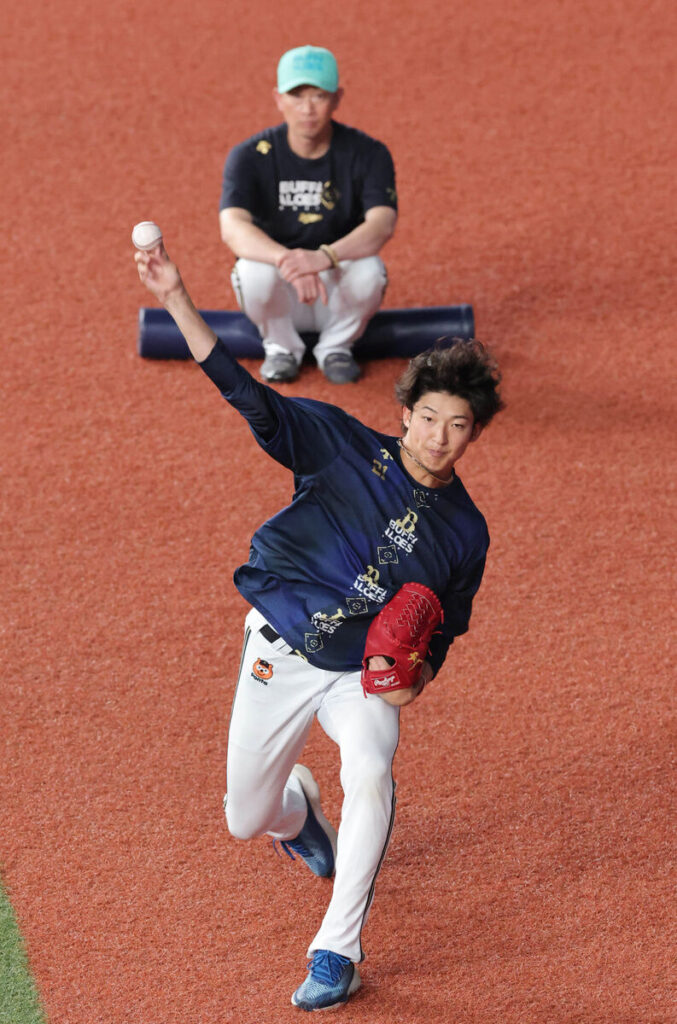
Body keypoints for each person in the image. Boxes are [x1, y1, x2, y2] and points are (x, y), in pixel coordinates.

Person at [134, 238, 504, 1011]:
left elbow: (441, 633)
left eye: (458, 425)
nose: (439, 436)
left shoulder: (464, 533)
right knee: (245, 818)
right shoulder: (338, 445)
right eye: (428, 418)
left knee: (371, 771)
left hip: (357, 676)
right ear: (404, 414)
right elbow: (248, 396)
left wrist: (413, 680)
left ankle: (336, 951)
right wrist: (175, 298)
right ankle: (297, 815)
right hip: (280, 648)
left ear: (475, 435)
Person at [219, 44, 398, 385]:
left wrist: (325, 257)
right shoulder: (248, 156)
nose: (307, 108)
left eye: (319, 95)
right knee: (251, 271)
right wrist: (289, 260)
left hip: (337, 285)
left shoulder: (369, 153)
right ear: (278, 98)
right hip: (282, 287)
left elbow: (382, 224)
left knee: (370, 271)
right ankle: (280, 347)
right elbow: (233, 228)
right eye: (296, 95)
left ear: (337, 98)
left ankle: (336, 347)